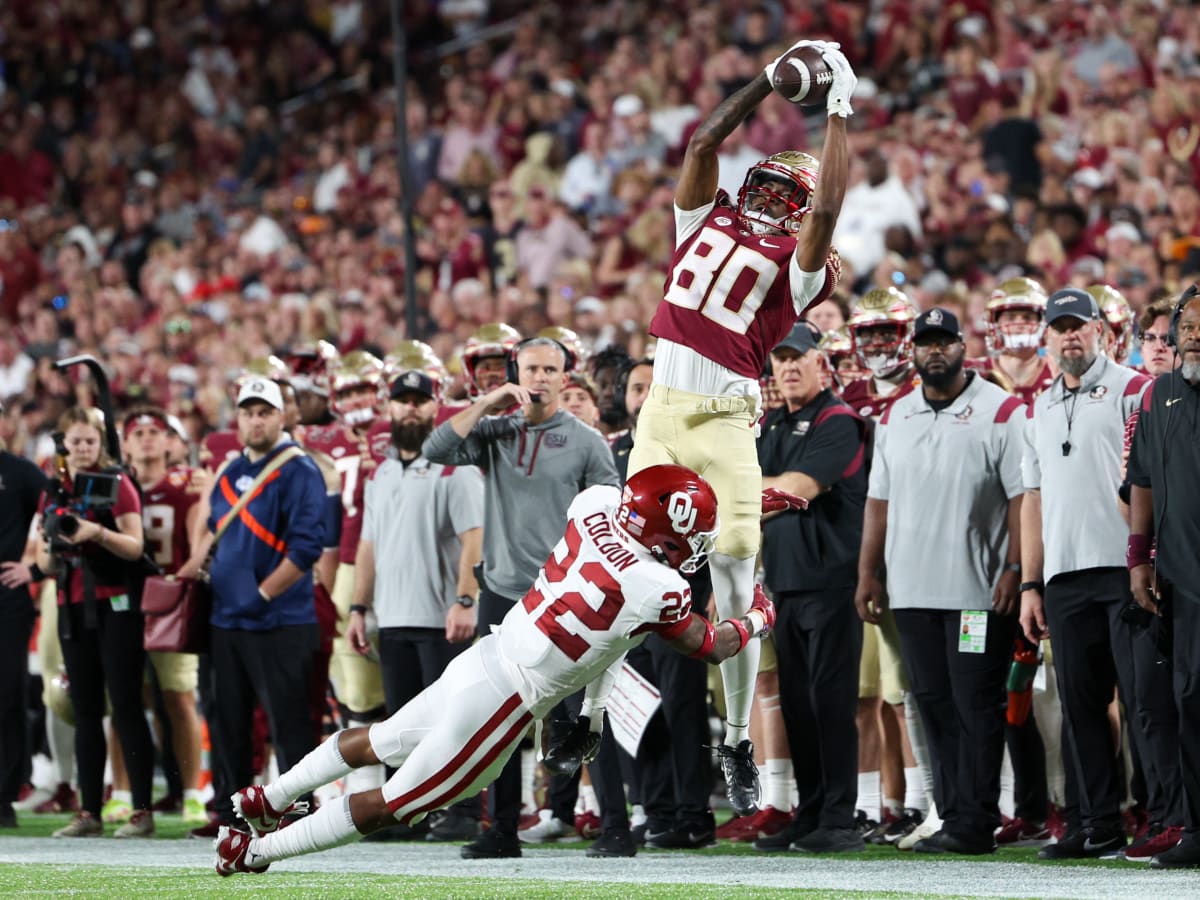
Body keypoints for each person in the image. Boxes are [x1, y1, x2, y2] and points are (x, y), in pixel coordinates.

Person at [213, 466, 775, 875]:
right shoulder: (658, 587)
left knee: (381, 740)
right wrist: (757, 617)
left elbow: (648, 510)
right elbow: (710, 644)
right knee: (397, 804)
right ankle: (258, 851)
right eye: (692, 537)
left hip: (487, 656)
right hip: (506, 705)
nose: (697, 548)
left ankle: (267, 798)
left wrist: (741, 510)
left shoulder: (595, 505)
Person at [627, 37, 855, 816]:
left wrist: (837, 112)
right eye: (767, 186)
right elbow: (702, 141)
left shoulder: (802, 265)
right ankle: (585, 719)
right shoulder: (703, 217)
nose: (771, 202)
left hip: (726, 421)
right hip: (660, 410)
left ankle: (733, 738)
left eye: (785, 197)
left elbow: (826, 207)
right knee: (625, 563)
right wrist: (767, 78)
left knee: (730, 577)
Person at [423, 335, 619, 858]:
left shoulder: (585, 441)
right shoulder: (495, 431)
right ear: (517, 372)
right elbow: (433, 448)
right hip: (503, 594)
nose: (539, 378)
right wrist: (488, 401)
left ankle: (617, 827)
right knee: (498, 714)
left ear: (565, 377)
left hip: (565, 596)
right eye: (530, 368)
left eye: (549, 370)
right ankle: (502, 830)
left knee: (583, 714)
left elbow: (611, 517)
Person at [858, 308, 1027, 856]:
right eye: (926, 343)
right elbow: (877, 501)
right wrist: (868, 571)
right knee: (931, 701)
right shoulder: (894, 417)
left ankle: (977, 820)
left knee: (974, 703)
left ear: (963, 347)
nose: (935, 352)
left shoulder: (1003, 410)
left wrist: (1016, 568)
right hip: (911, 593)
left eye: (945, 342)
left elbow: (1024, 496)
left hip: (976, 594)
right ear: (915, 351)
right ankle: (953, 815)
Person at [1018, 288, 1176, 861]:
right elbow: (1032, 498)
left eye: (1078, 326)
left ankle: (1162, 817)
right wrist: (1031, 583)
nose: (1069, 337)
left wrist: (1148, 557)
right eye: (1059, 328)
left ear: (1101, 332)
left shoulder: (1134, 389)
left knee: (1142, 701)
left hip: (1124, 569)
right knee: (1081, 707)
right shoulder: (1037, 406)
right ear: (1048, 337)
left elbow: (1152, 481)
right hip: (1064, 574)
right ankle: (1097, 823)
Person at [346, 369, 484, 841]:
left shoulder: (457, 467)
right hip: (394, 615)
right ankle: (404, 810)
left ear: (435, 406)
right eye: (402, 401)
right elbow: (368, 546)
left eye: (419, 402)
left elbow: (474, 539)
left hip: (443, 617)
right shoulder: (380, 472)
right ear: (389, 408)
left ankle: (463, 811)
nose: (410, 409)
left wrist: (466, 600)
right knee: (399, 727)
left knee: (455, 721)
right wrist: (358, 608)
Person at [186, 379, 328, 835]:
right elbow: (213, 530)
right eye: (248, 411)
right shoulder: (228, 472)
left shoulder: (300, 469)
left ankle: (299, 813)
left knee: (288, 724)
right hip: (226, 619)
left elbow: (307, 548)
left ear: (282, 415)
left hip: (280, 620)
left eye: (264, 411)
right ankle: (232, 813)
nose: (255, 419)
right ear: (238, 417)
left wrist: (264, 593)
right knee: (227, 721)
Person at [754, 322, 868, 853]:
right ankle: (811, 810)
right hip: (787, 585)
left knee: (831, 702)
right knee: (798, 704)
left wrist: (743, 492)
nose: (790, 366)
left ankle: (841, 818)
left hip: (832, 583)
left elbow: (798, 490)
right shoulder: (775, 423)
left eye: (799, 357)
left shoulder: (839, 421)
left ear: (823, 364)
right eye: (781, 359)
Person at [34, 407, 155, 838]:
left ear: (101, 442)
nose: (83, 449)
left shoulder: (118, 483)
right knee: (85, 709)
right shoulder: (54, 490)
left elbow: (135, 545)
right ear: (63, 443)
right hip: (71, 602)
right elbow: (45, 563)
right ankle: (89, 811)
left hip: (115, 602)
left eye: (90, 440)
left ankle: (142, 810)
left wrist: (96, 533)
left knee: (124, 703)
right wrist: (54, 537)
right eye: (76, 441)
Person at [1127, 285, 1200, 869]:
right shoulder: (1158, 396)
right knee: (1190, 702)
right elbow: (1143, 482)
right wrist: (1138, 558)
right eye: (1189, 324)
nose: (1196, 334)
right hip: (1181, 578)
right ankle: (1196, 829)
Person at [107, 407, 207, 824]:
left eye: (156, 432)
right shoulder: (115, 484)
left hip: (171, 601)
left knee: (178, 697)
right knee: (125, 701)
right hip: (124, 604)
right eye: (139, 432)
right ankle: (122, 791)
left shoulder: (189, 484)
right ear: (125, 443)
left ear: (170, 441)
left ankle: (192, 791)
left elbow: (202, 533)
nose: (148, 438)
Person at [0, 401, 47, 828]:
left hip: (7, 600)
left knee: (7, 694)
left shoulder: (19, 472)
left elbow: (58, 513)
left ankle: (5, 796)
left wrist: (32, 568)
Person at [977, 277, 1056, 405]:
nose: (1019, 323)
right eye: (1010, 317)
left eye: (1027, 317)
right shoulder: (974, 373)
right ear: (995, 323)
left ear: (1043, 323)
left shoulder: (1057, 372)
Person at [1135, 297, 1182, 378]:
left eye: (1167, 338)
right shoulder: (1125, 382)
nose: (1158, 347)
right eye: (1150, 338)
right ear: (1142, 350)